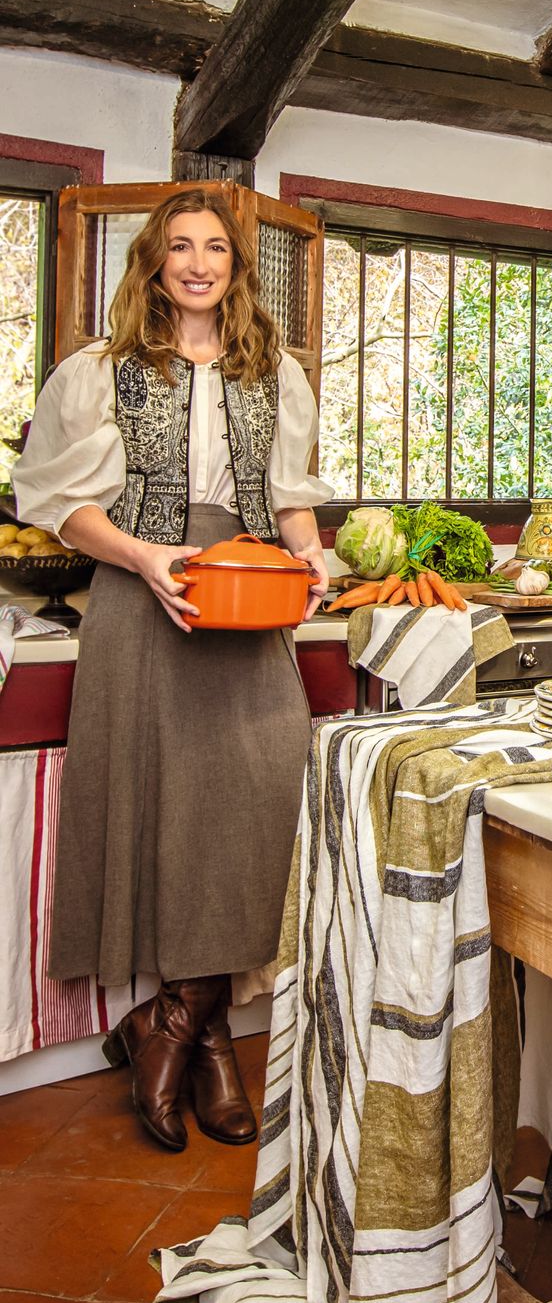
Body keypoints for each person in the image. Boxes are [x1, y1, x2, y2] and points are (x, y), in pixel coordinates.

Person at [13, 188, 331, 1150]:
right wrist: (147, 558)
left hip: (243, 595)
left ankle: (175, 1025)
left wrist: (312, 558)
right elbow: (60, 504)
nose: (199, 262)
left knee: (260, 803)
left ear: (238, 268)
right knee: (164, 810)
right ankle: (210, 1047)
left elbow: (289, 502)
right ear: (153, 261)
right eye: (180, 247)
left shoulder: (273, 371)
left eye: (217, 249)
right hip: (140, 595)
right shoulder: (98, 371)